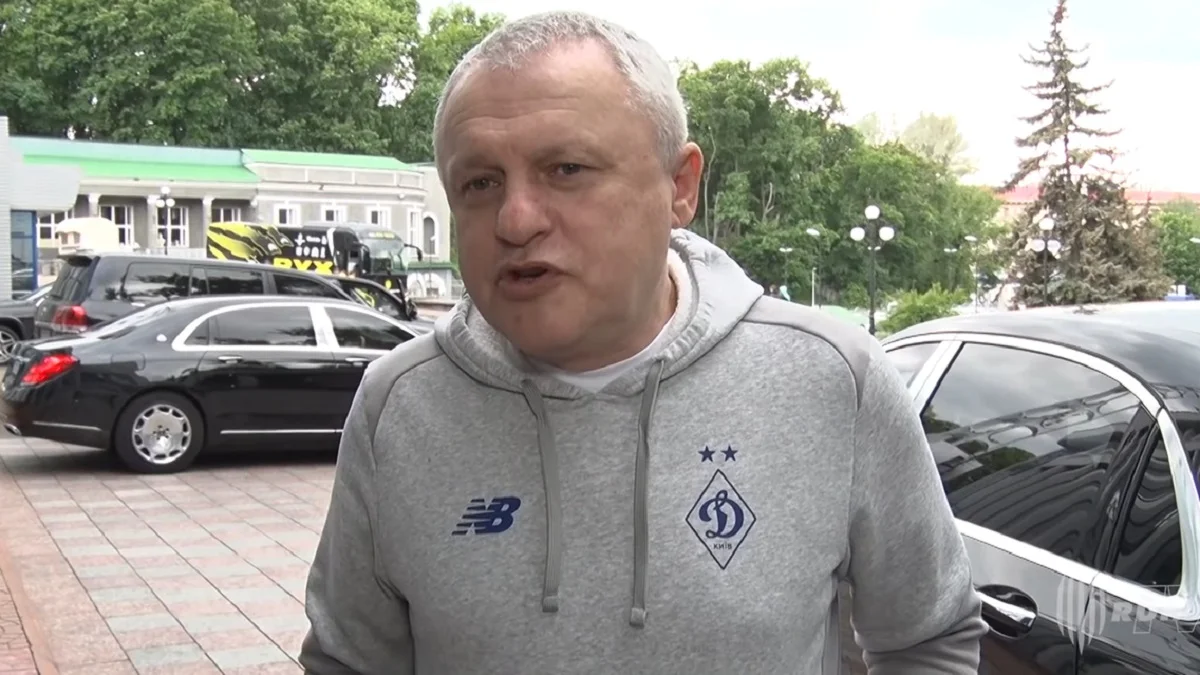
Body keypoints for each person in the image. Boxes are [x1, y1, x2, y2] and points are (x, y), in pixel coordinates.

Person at [299, 10, 986, 675]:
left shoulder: (833, 380)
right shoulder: (398, 407)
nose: (515, 219)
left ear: (680, 186)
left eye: (566, 168)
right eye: (479, 182)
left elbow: (929, 635)